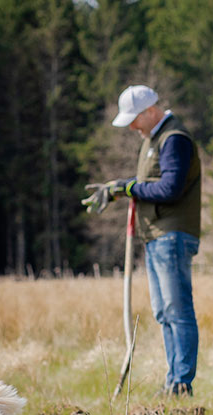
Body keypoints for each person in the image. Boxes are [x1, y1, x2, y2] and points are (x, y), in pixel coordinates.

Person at [83, 84, 202, 396]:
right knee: (163, 311)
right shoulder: (154, 139)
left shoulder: (173, 139)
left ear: (151, 111)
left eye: (135, 119)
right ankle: (173, 381)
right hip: (156, 235)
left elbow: (170, 189)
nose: (133, 127)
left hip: (171, 234)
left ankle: (180, 383)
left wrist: (128, 187)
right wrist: (120, 188)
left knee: (177, 310)